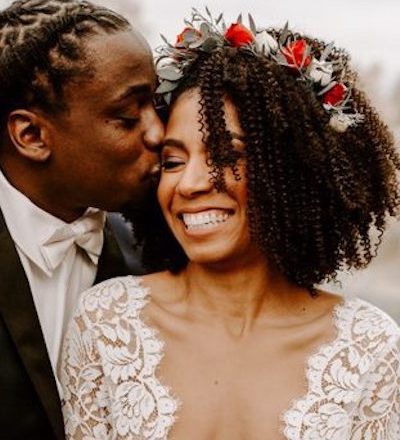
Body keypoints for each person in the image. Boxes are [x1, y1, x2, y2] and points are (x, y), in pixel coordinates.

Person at [61, 10, 400, 440]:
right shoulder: (107, 323)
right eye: (172, 161)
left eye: (226, 155)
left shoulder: (369, 346)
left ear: (295, 171)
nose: (190, 183)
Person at [0, 0, 163, 439]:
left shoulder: (160, 252)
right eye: (128, 116)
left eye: (156, 105)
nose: (157, 133)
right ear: (31, 135)